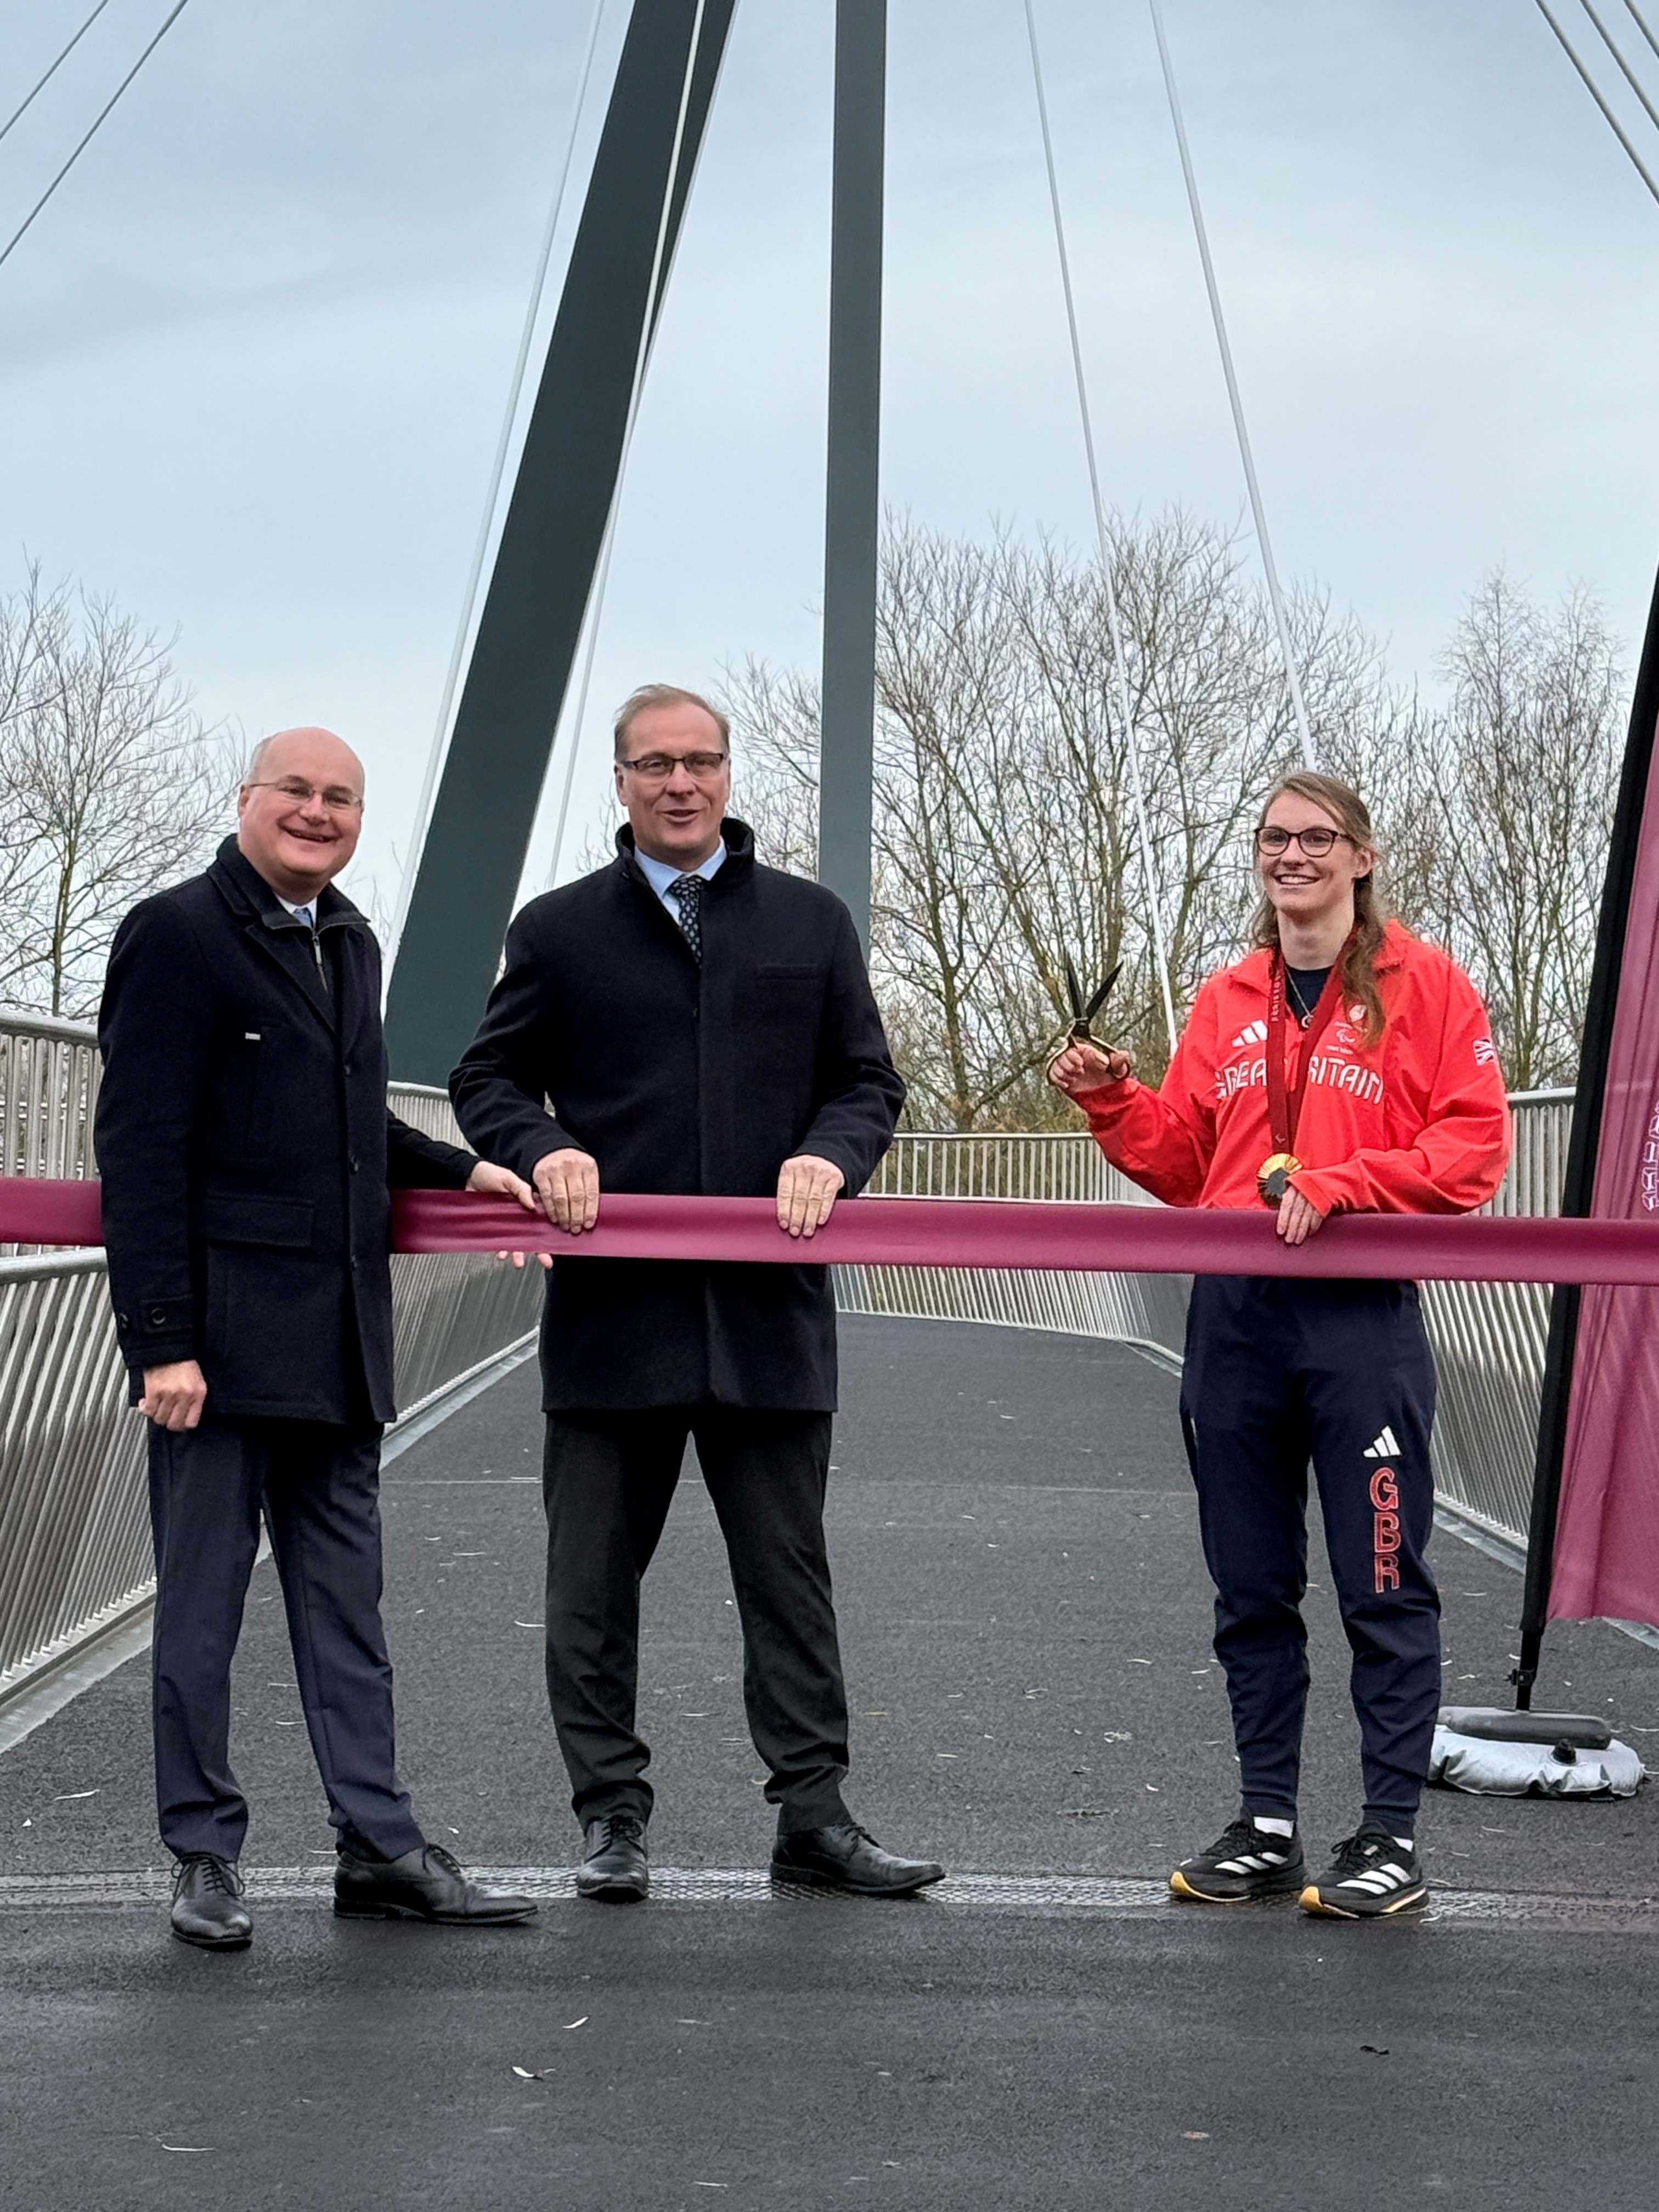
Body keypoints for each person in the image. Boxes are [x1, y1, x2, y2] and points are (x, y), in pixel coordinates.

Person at [450, 682, 944, 1903]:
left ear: (730, 774)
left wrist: (832, 1153)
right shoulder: (558, 931)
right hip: (616, 1323)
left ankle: (815, 1819)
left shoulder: (812, 923)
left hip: (769, 1324)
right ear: (618, 783)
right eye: (656, 765)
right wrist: (536, 1146)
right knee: (590, 1591)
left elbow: (868, 1083)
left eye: (702, 762)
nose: (682, 783)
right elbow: (484, 1078)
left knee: (789, 1582)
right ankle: (611, 1819)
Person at [97, 726, 540, 1949]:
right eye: (296, 789)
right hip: (219, 1355)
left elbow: (355, 1136)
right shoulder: (176, 935)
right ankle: (202, 1854)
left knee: (349, 1615)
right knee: (200, 1614)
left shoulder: (350, 938)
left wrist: (468, 1169)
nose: (319, 811)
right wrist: (163, 1344)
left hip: (340, 1347)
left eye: (342, 797)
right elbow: (137, 1153)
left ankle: (381, 1844)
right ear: (246, 800)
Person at [1049, 772, 1510, 1918]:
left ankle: (1389, 1837)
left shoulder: (1429, 986)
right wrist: (1115, 1099)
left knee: (1385, 1585)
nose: (1291, 856)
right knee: (1251, 1588)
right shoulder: (1228, 997)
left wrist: (1346, 1183)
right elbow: (1185, 1162)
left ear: (1362, 856)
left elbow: (1473, 1152)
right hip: (1237, 1321)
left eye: (1316, 838)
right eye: (1272, 839)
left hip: (1360, 1326)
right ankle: (1266, 1823)